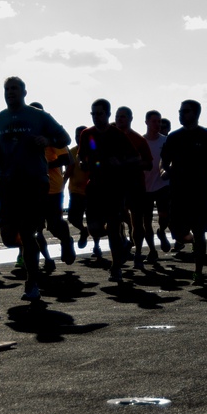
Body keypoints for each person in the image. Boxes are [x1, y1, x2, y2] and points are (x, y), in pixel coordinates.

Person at [0, 77, 71, 300]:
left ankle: (32, 283)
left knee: (27, 231)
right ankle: (18, 246)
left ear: (24, 92)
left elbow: (64, 138)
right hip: (7, 183)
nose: (10, 92)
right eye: (6, 89)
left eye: (14, 88)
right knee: (8, 237)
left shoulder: (38, 116)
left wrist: (47, 139)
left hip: (34, 182)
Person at [161, 99, 207, 282]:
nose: (181, 114)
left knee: (199, 231)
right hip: (178, 190)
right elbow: (163, 162)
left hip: (201, 189)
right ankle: (189, 241)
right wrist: (164, 172)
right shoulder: (173, 137)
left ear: (196, 114)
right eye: (180, 111)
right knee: (176, 232)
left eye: (186, 111)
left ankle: (198, 271)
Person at [79, 99, 142, 282]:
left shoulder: (117, 135)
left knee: (113, 227)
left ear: (107, 114)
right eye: (93, 114)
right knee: (95, 229)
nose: (96, 117)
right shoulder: (87, 134)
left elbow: (136, 158)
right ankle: (122, 240)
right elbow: (82, 155)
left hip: (115, 187)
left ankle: (116, 268)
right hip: (94, 187)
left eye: (100, 113)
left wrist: (120, 162)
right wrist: (83, 163)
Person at [28, 102, 76, 273]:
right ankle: (47, 259)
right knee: (35, 228)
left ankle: (66, 241)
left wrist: (44, 165)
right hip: (32, 188)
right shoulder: (25, 134)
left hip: (52, 187)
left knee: (54, 225)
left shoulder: (52, 135)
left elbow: (67, 159)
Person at [113, 106, 154, 269]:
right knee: (114, 219)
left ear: (130, 119)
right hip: (115, 185)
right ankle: (122, 245)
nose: (119, 119)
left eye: (123, 117)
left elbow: (149, 164)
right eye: (117, 117)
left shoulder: (138, 139)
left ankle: (137, 253)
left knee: (137, 222)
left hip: (135, 185)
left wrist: (130, 162)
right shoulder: (110, 137)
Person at [142, 110, 172, 262]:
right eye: (154, 121)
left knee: (164, 215)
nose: (157, 124)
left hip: (163, 184)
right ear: (146, 122)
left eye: (159, 121)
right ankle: (152, 250)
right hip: (145, 186)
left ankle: (162, 231)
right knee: (146, 221)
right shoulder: (141, 141)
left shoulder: (166, 141)